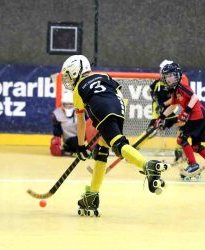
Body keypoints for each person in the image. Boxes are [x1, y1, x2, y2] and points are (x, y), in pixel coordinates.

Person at [61, 55, 169, 217]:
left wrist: (81, 145)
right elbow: (119, 92)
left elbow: (81, 121)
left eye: (69, 76)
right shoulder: (104, 76)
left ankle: (148, 165)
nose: (68, 80)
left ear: (76, 71)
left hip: (101, 108)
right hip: (118, 106)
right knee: (103, 147)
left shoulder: (78, 90)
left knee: (118, 145)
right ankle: (92, 195)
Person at [156, 62, 205, 182]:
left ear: (177, 75)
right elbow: (172, 106)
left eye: (171, 75)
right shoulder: (174, 90)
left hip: (197, 116)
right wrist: (161, 116)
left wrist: (187, 111)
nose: (168, 78)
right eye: (166, 76)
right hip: (201, 117)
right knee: (196, 146)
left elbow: (194, 97)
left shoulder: (182, 87)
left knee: (181, 139)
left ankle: (193, 164)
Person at [133, 59, 184, 163]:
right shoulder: (160, 85)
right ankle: (133, 149)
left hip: (166, 112)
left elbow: (168, 99)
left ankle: (179, 151)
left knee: (182, 125)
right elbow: (168, 101)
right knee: (151, 131)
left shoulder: (165, 83)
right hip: (161, 113)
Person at [50, 91, 98, 156]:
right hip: (69, 140)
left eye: (70, 104)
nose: (68, 106)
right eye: (66, 104)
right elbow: (57, 131)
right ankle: (69, 149)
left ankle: (95, 148)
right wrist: (56, 141)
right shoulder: (57, 114)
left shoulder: (81, 111)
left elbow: (89, 125)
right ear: (62, 104)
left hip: (82, 136)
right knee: (73, 143)